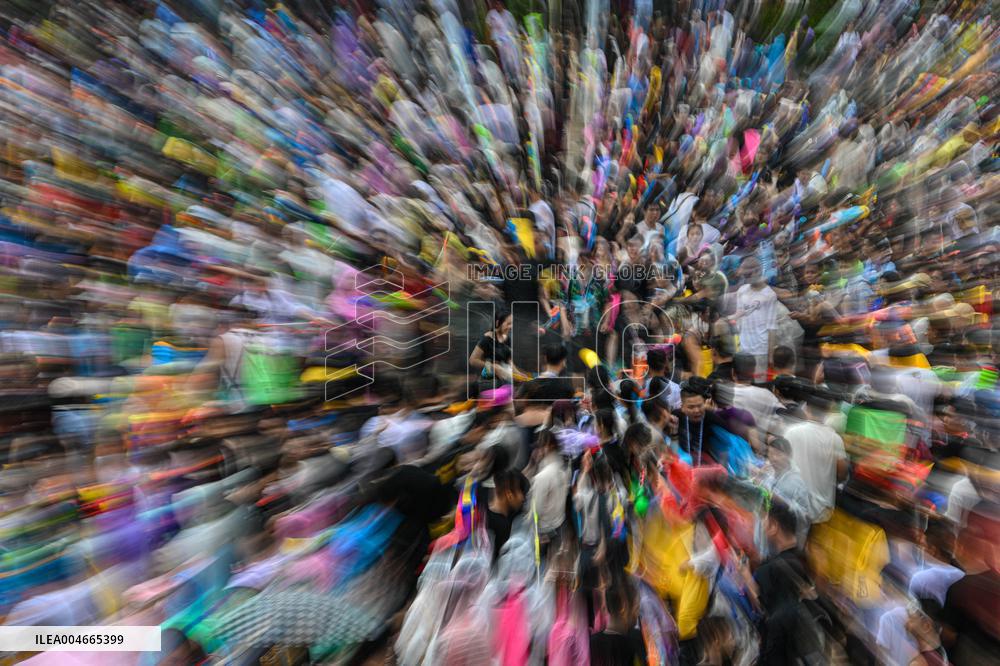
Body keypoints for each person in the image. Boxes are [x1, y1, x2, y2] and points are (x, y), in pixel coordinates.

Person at [784, 388, 848, 523]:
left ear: (806, 409)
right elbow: (842, 473)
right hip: (822, 511)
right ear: (828, 412)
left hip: (794, 506)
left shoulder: (791, 432)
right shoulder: (835, 438)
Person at [733, 257, 779, 382]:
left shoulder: (770, 295)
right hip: (744, 347)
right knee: (744, 383)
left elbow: (772, 327)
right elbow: (738, 319)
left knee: (759, 383)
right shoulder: (742, 291)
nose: (746, 278)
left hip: (760, 349)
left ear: (758, 271)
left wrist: (770, 355)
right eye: (744, 275)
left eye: (748, 275)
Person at [730, 352, 783, 437]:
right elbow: (782, 418)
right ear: (753, 372)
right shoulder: (767, 395)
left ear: (733, 373)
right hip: (762, 446)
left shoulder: (723, 394)